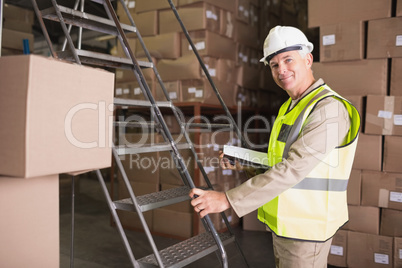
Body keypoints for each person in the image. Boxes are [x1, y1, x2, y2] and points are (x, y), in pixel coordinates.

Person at [189, 25, 360, 268]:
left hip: (307, 229)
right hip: (286, 226)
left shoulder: (328, 110)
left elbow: (293, 169)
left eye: (288, 60)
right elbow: (281, 160)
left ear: (308, 59)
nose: (282, 70)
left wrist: (228, 200)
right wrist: (246, 162)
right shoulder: (290, 107)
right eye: (274, 65)